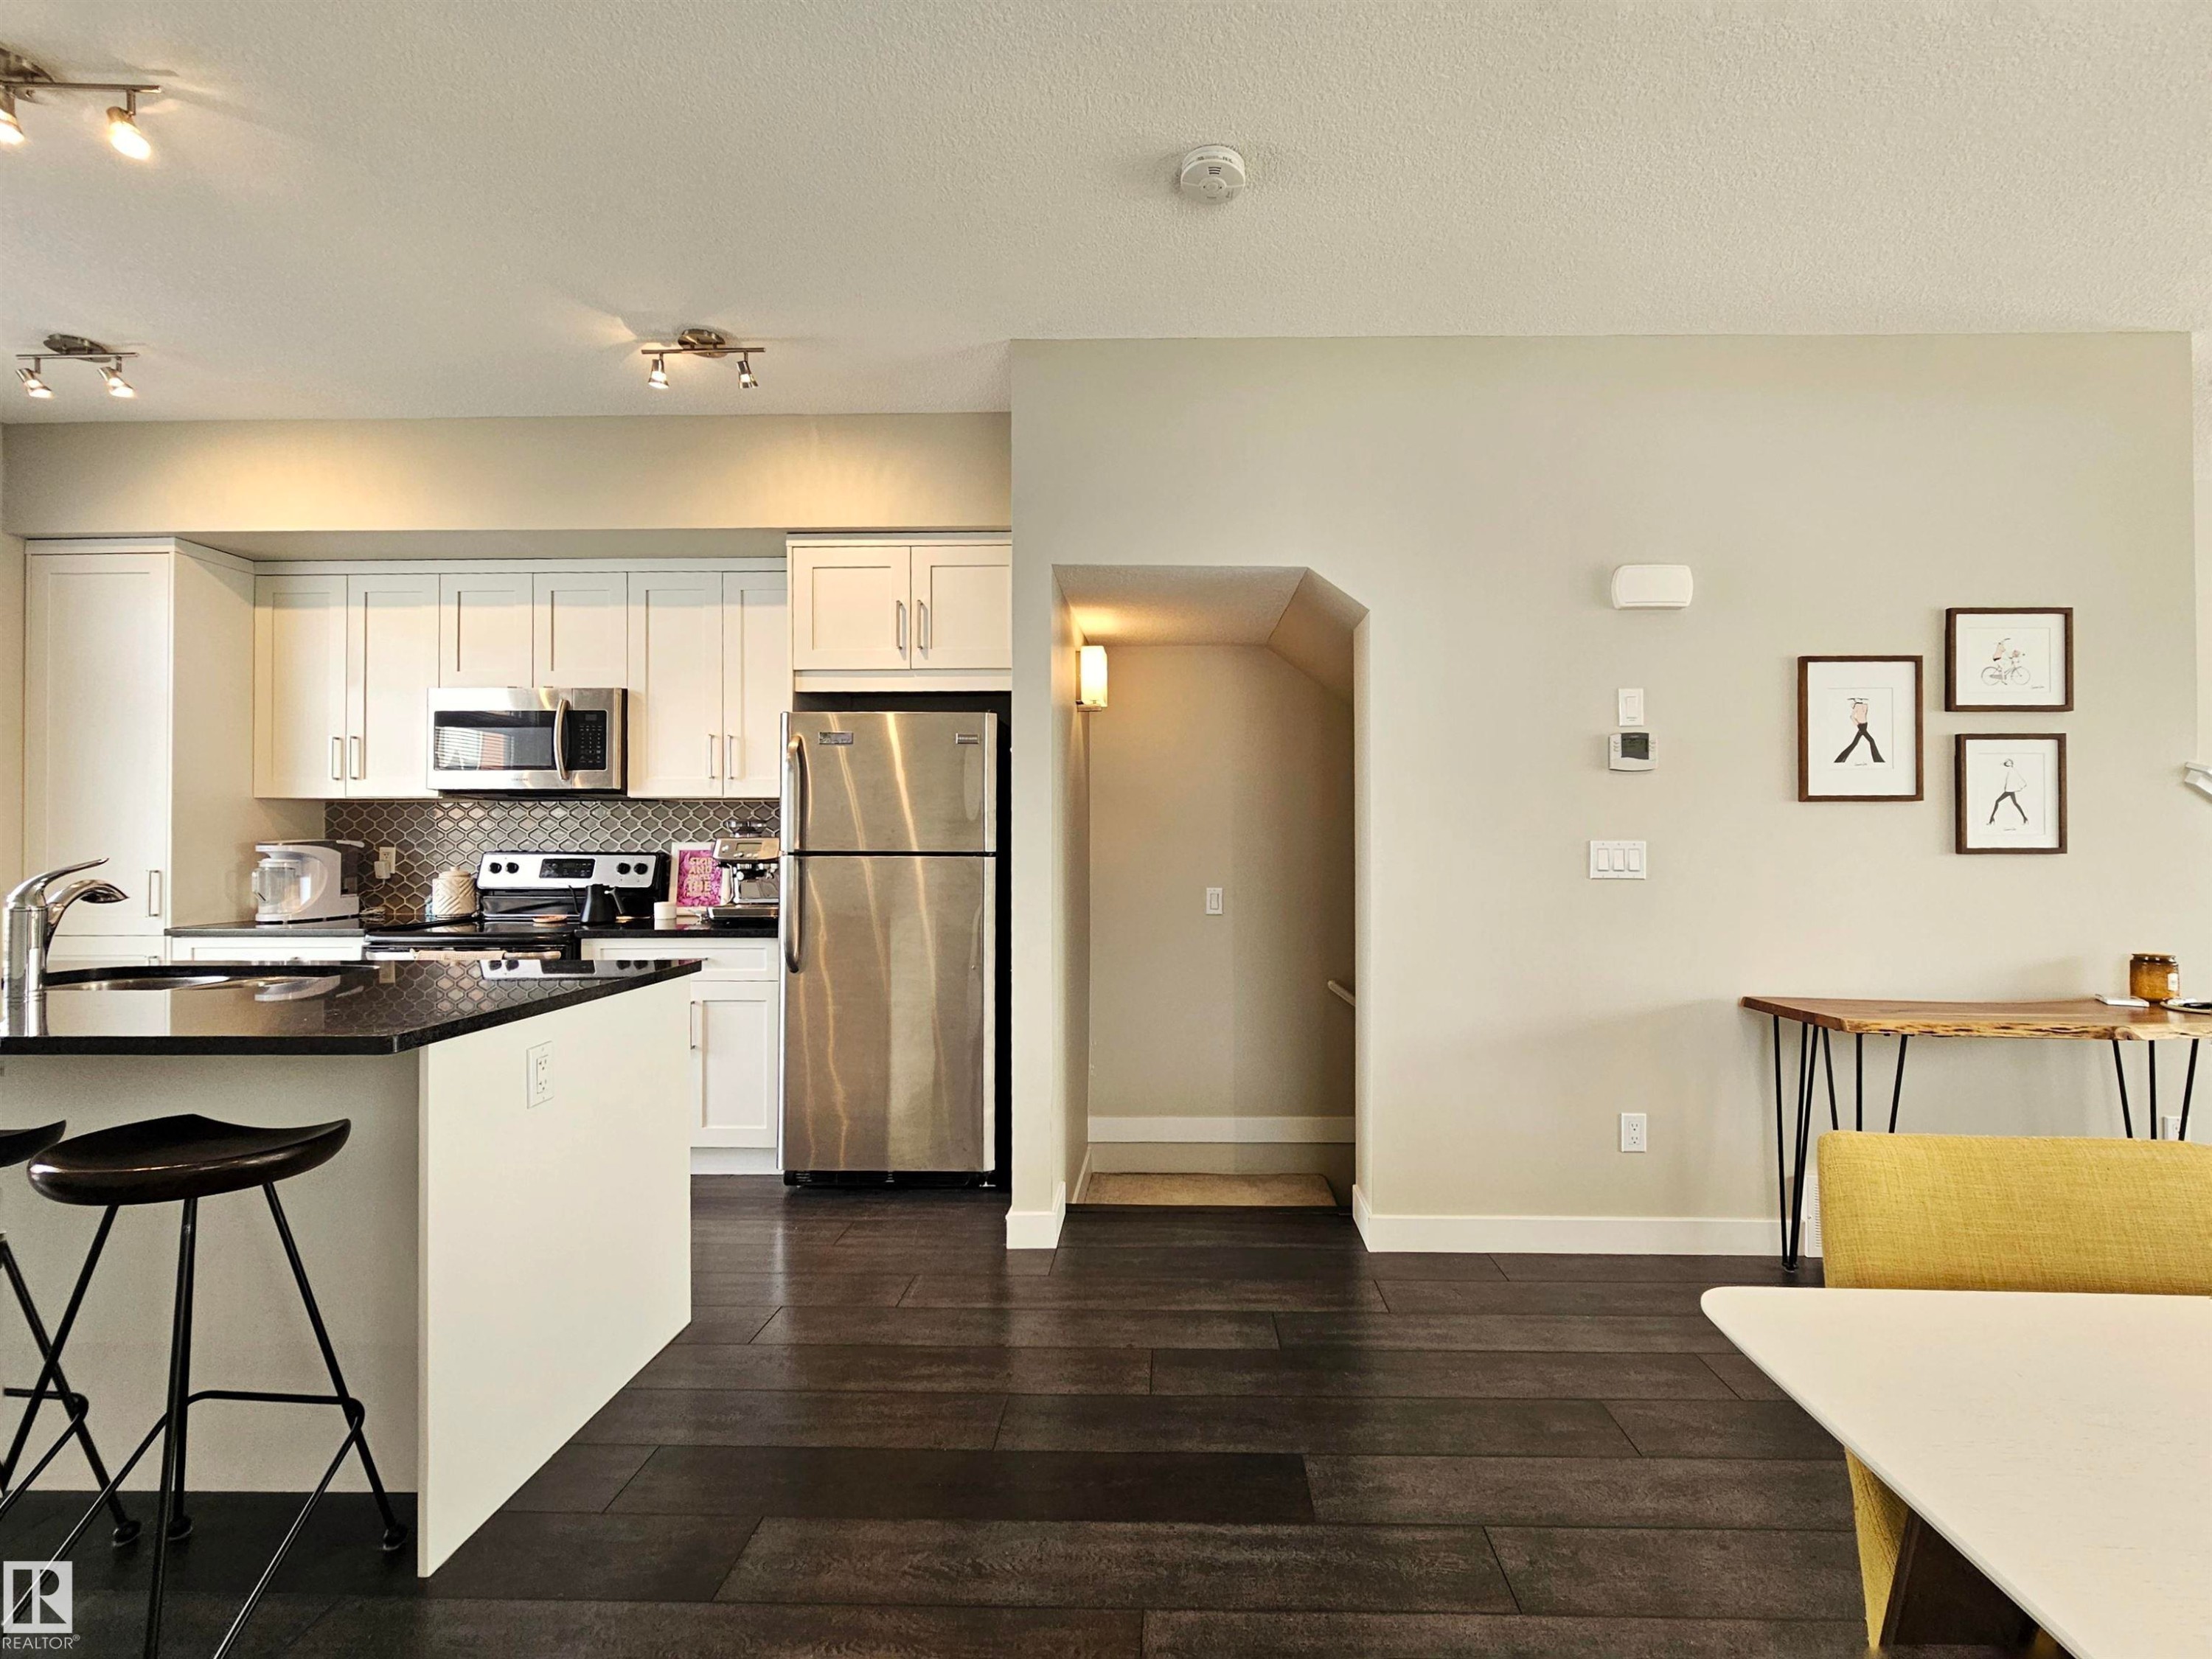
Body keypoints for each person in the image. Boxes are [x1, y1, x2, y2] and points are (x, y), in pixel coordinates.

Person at [1833, 697, 1884, 765]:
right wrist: (1858, 724)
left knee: (1855, 743)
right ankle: (1878, 760)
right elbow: (1852, 717)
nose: (1861, 699)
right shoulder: (1857, 706)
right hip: (1861, 726)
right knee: (1870, 741)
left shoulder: (1865, 705)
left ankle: (1840, 759)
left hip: (1865, 725)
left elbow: (1864, 715)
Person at [1987, 758, 2029, 826]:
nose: (2007, 764)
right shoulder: (2010, 770)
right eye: (2007, 763)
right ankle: (2025, 818)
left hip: (2009, 790)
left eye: (2008, 763)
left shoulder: (2012, 770)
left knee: (1997, 802)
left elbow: (2017, 779)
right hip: (2010, 790)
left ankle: (1991, 819)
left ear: (2011, 764)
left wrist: (2022, 785)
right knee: (2015, 804)